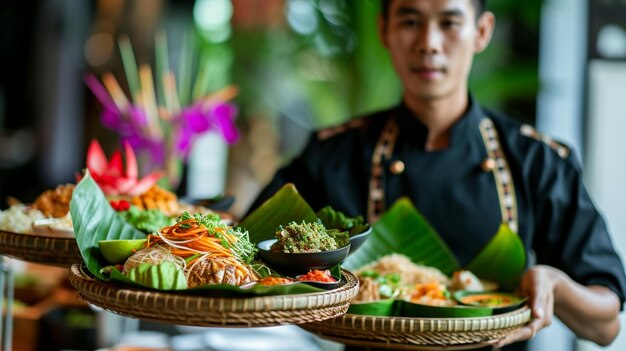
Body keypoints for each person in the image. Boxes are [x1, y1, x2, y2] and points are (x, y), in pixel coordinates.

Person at [248, 0, 626, 349]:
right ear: (384, 30)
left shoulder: (537, 160)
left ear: (482, 31)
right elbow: (249, 253)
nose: (429, 43)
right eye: (410, 21)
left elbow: (606, 325)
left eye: (449, 22)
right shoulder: (333, 154)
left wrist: (555, 284)